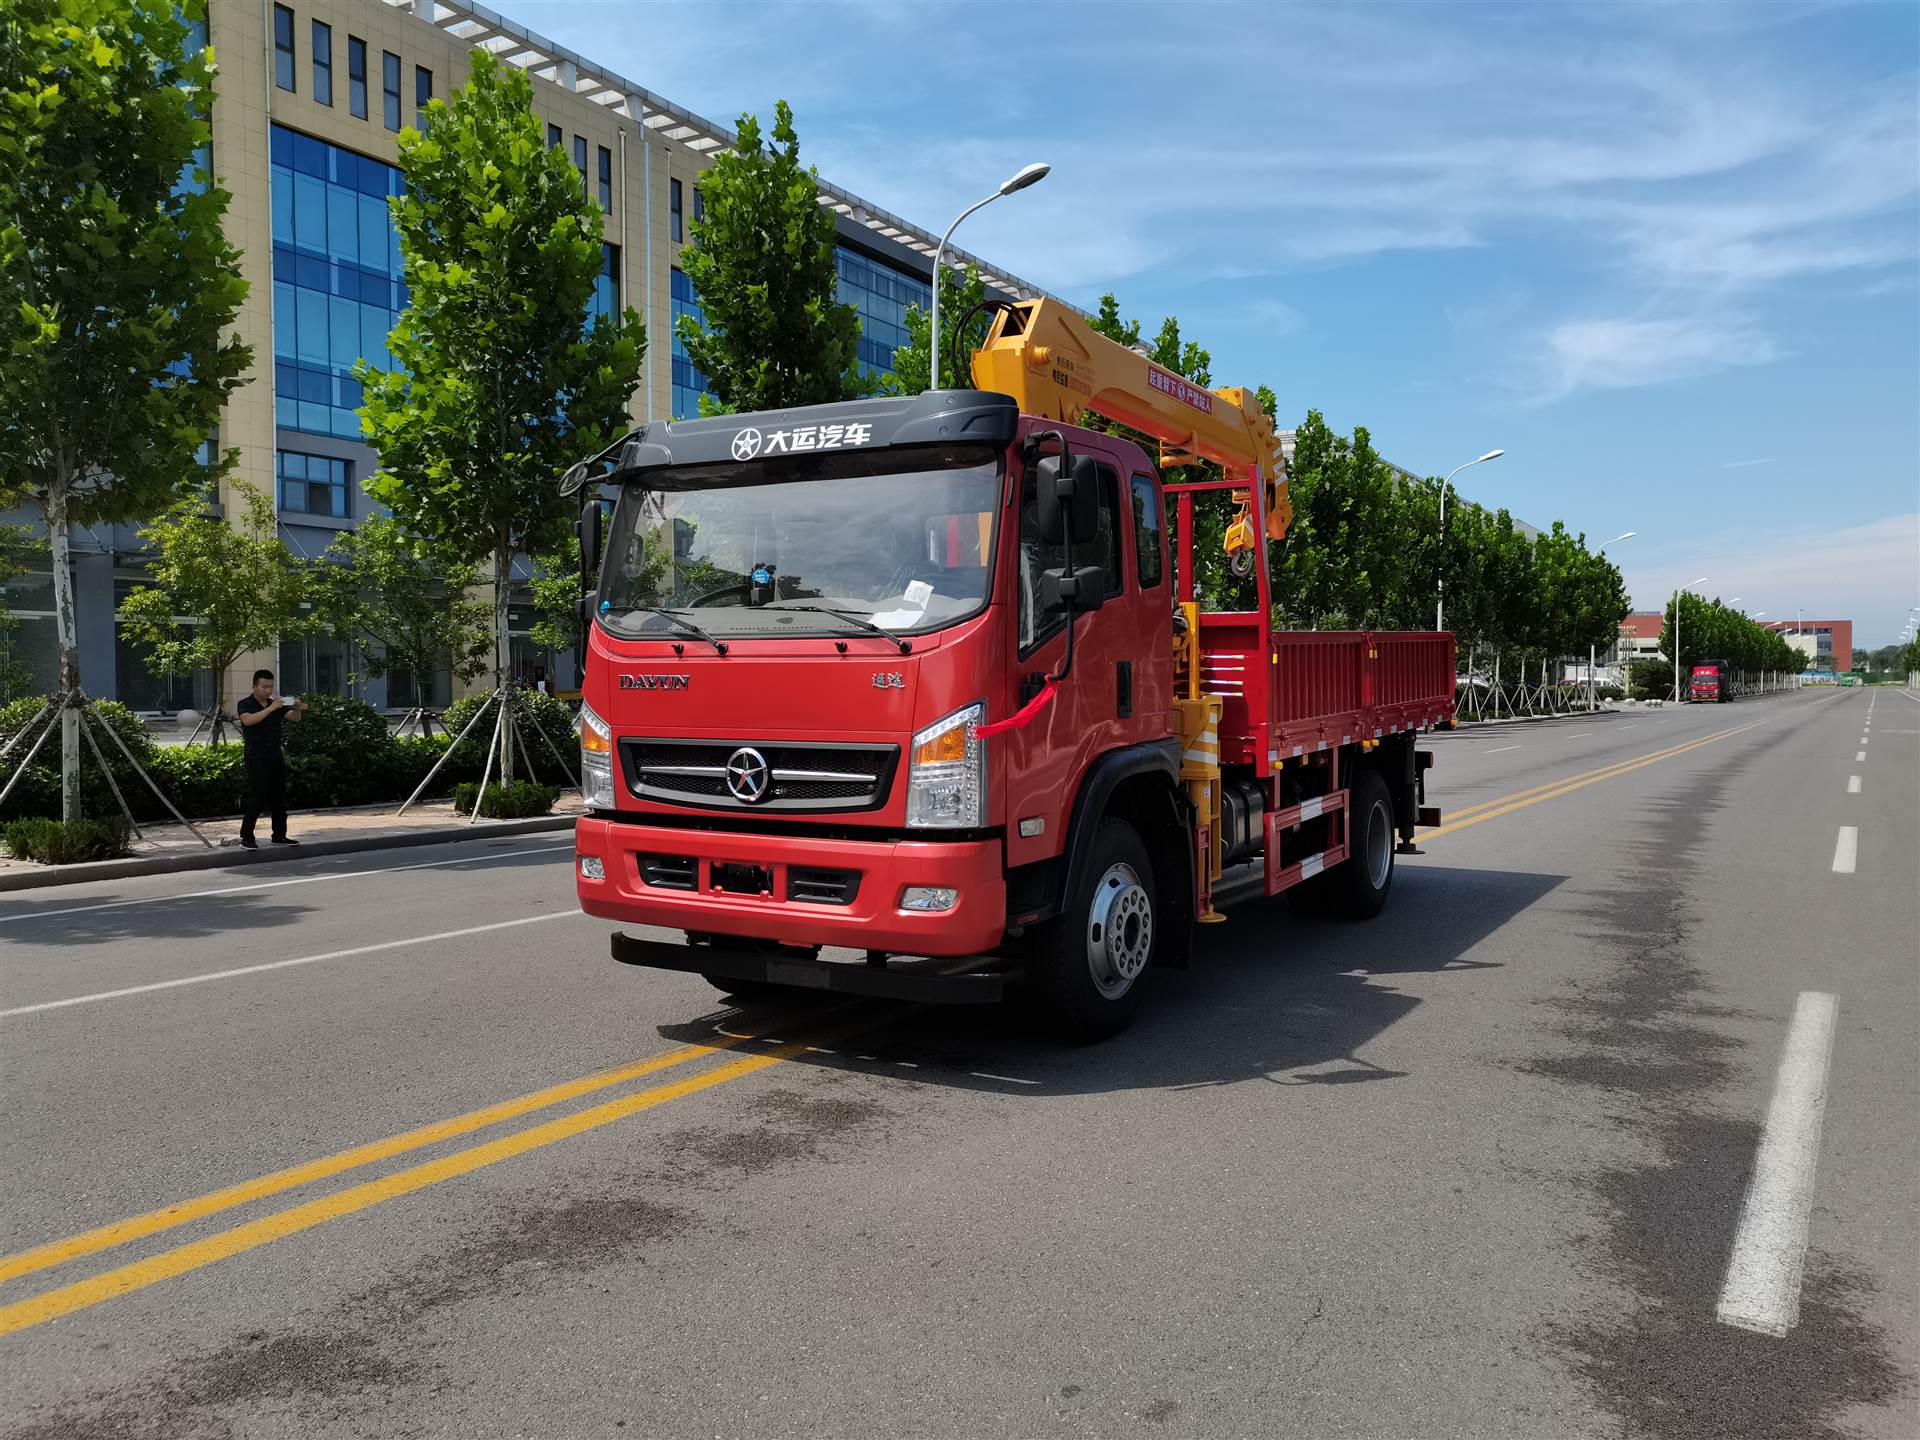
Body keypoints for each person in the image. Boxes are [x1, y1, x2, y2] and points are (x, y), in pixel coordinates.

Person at [234, 669, 303, 848]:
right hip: (255, 756)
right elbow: (248, 721)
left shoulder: (275, 703)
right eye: (264, 687)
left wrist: (296, 706)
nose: (268, 690)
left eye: (271, 687)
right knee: (259, 794)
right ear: (254, 686)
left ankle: (279, 835)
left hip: (274, 755)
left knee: (278, 796)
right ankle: (247, 836)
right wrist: (271, 708)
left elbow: (294, 718)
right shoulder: (245, 703)